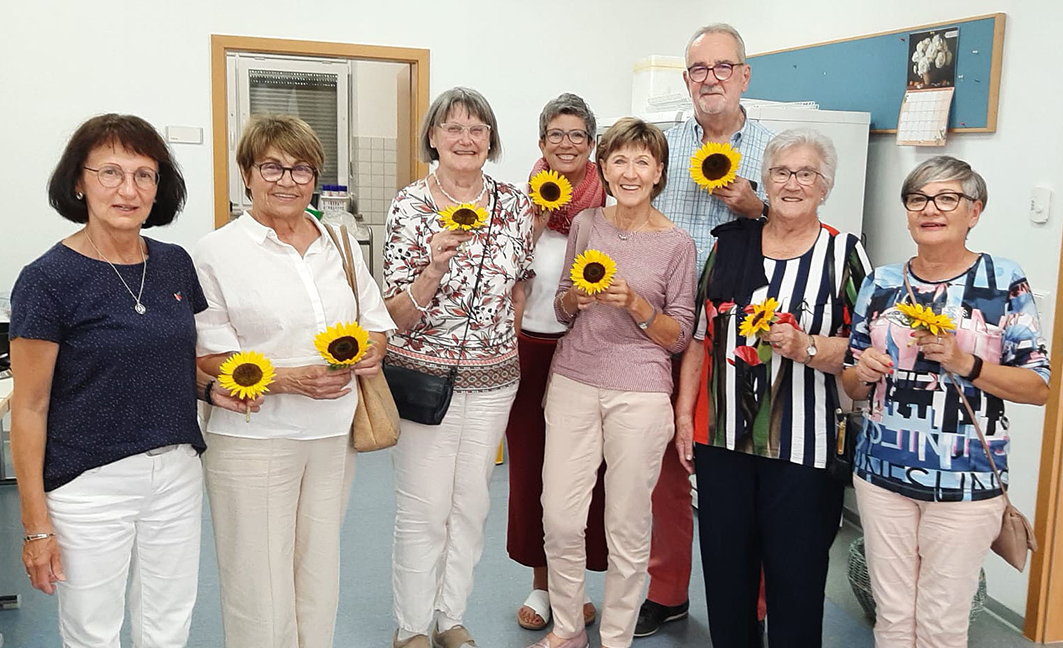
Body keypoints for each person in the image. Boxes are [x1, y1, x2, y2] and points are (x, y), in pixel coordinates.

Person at [10, 113, 253, 648]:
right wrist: (36, 526)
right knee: (93, 631)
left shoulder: (173, 264)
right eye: (111, 173)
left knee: (168, 624)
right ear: (79, 181)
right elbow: (29, 407)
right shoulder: (46, 280)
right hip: (89, 482)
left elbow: (166, 360)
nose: (129, 190)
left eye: (144, 175)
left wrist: (209, 389)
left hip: (176, 471)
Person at [193, 114, 395, 648]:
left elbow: (375, 322)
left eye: (301, 169)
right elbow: (210, 356)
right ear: (247, 175)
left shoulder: (339, 243)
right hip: (254, 437)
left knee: (318, 570)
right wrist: (289, 381)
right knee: (257, 580)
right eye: (272, 167)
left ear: (315, 178)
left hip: (332, 433)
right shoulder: (216, 252)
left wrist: (371, 352)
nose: (288, 180)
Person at [842, 156, 1050, 648]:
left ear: (974, 211)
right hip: (881, 474)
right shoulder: (881, 282)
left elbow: (1037, 387)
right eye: (918, 199)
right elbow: (850, 383)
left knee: (942, 623)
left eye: (947, 199)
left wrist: (967, 363)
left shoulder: (1002, 280)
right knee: (892, 616)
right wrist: (862, 371)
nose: (930, 209)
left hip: (967, 480)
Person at [676, 129, 871, 647]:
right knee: (726, 575)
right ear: (765, 180)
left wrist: (809, 346)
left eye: (806, 173)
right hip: (722, 440)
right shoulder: (729, 244)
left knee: (796, 578)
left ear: (825, 186)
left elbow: (866, 349)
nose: (792, 183)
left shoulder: (843, 253)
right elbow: (699, 337)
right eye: (782, 172)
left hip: (803, 449)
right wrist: (684, 419)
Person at [532, 117, 696, 648]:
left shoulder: (677, 244)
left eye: (642, 161)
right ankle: (568, 628)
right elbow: (561, 306)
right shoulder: (586, 224)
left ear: (659, 172)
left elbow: (680, 335)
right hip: (574, 379)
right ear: (603, 168)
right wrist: (573, 299)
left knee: (626, 524)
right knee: (559, 517)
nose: (630, 172)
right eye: (619, 160)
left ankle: (617, 637)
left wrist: (638, 306)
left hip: (641, 393)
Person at [637, 22, 775, 638]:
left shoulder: (774, 150)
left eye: (723, 67)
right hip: (662, 330)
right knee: (664, 470)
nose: (711, 78)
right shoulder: (662, 145)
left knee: (748, 471)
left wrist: (758, 209)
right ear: (686, 78)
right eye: (699, 68)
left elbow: (805, 229)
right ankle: (666, 590)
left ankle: (756, 604)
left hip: (739, 338)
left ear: (744, 75)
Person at [384, 87, 535, 648]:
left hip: (494, 380)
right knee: (423, 508)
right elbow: (395, 312)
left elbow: (520, 284)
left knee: (472, 504)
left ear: (491, 139)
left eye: (477, 128)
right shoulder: (409, 206)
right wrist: (433, 269)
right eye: (453, 128)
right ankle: (411, 626)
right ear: (433, 137)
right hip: (423, 379)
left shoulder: (514, 204)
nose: (466, 139)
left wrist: (501, 337)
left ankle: (450, 618)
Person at [506, 93, 608, 632]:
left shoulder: (609, 203)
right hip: (529, 350)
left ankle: (577, 585)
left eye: (577, 135)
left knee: (585, 475)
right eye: (556, 134)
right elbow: (505, 273)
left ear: (592, 144)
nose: (566, 144)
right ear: (541, 142)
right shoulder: (520, 205)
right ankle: (541, 585)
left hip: (588, 353)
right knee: (532, 471)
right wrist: (536, 221)